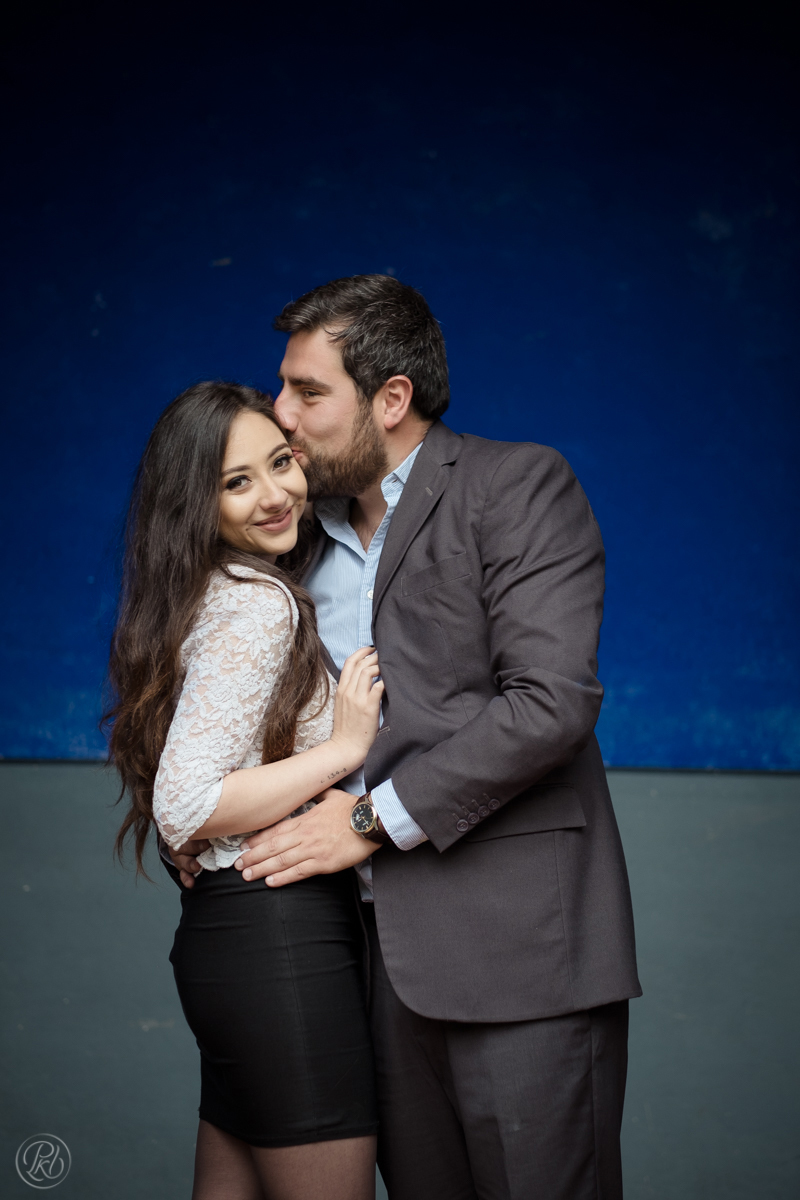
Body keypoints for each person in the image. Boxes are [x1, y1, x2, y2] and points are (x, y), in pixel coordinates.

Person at [174, 275, 642, 1200]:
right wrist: (197, 820)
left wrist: (367, 821)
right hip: (364, 970)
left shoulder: (516, 485)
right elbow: (218, 688)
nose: (282, 414)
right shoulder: (291, 536)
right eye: (282, 386)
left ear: (391, 399)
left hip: (519, 958)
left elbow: (550, 702)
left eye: (308, 392)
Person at [106, 381, 386, 1200]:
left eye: (281, 463)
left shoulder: (206, 592)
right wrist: (345, 748)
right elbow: (186, 804)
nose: (274, 495)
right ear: (195, 502)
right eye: (237, 481)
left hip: (235, 940)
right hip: (280, 945)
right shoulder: (260, 606)